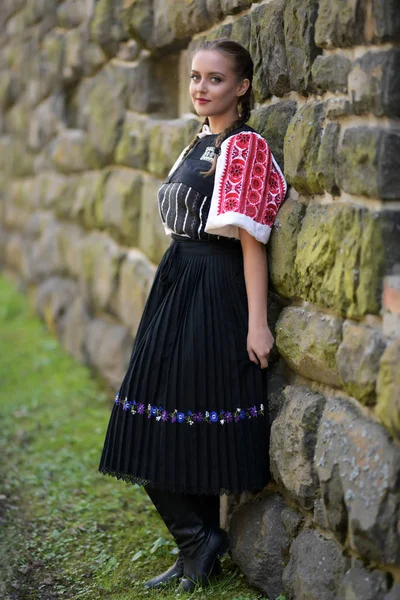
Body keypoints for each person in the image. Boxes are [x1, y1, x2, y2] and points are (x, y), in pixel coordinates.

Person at [98, 37, 287, 593]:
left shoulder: (245, 146)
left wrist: (258, 322)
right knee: (157, 409)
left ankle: (200, 540)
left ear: (242, 86)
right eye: (195, 77)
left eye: (215, 79)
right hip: (178, 279)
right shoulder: (197, 144)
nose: (201, 89)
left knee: (185, 410)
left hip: (216, 286)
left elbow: (253, 242)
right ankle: (195, 546)